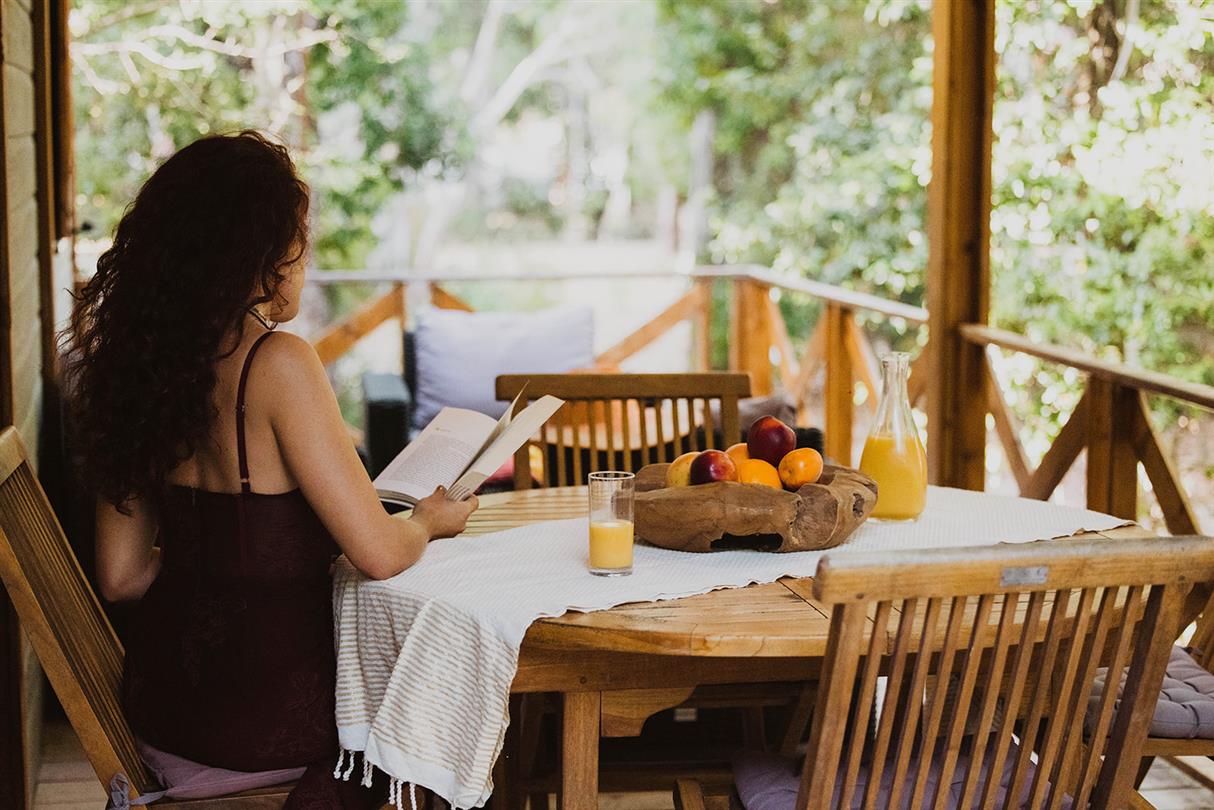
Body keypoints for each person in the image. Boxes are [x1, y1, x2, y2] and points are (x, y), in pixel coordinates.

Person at [65, 130, 477, 808]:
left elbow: (123, 576)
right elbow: (377, 552)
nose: (302, 261)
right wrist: (427, 521)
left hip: (165, 719)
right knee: (448, 711)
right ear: (259, 256)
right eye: (298, 242)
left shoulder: (135, 369)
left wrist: (229, 555)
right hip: (271, 734)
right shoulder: (277, 363)